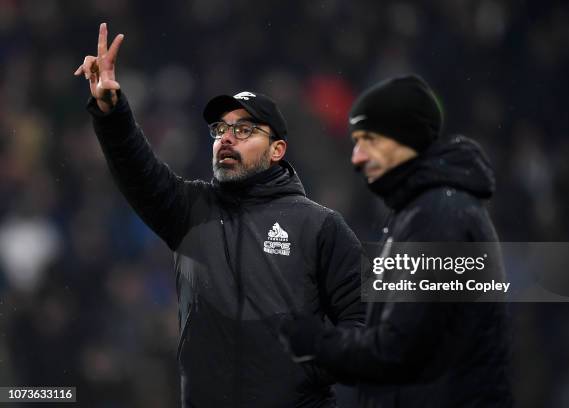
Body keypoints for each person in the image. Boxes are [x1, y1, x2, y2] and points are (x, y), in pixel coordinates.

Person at [74, 23, 365, 408]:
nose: (226, 138)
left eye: (244, 129)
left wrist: (304, 375)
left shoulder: (320, 226)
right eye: (220, 129)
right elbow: (137, 169)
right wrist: (111, 113)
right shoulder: (190, 211)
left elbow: (361, 329)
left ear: (277, 150)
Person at [280, 75, 512, 407]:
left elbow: (395, 353)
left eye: (369, 139)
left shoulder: (439, 218)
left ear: (406, 138)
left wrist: (315, 340)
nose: (357, 157)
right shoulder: (420, 212)